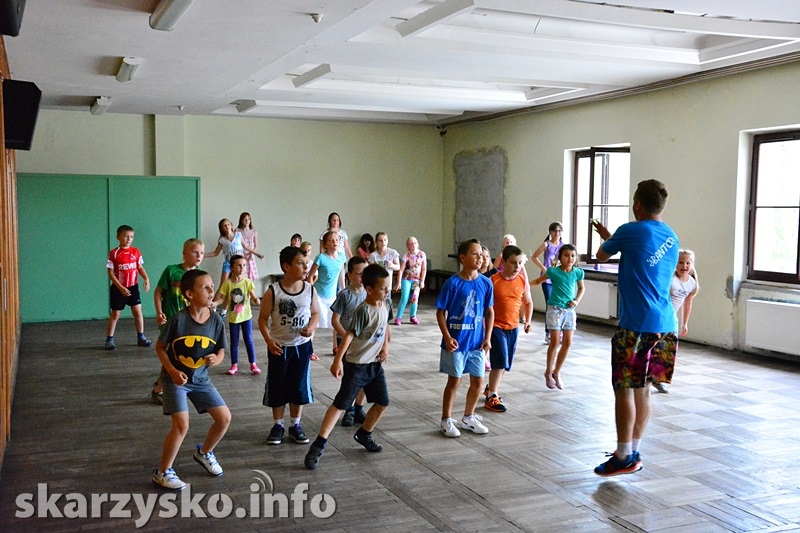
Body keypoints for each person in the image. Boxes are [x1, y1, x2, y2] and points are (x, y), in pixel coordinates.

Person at [591, 179, 679, 477]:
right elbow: (645, 259)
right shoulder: (672, 236)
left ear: (637, 205)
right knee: (644, 390)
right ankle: (634, 450)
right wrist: (614, 238)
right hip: (665, 325)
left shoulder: (630, 230)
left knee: (624, 390)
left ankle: (623, 455)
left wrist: (609, 238)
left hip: (636, 327)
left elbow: (601, 256)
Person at [304, 264, 391, 470]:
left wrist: (385, 347)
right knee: (340, 405)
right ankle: (318, 445)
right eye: (383, 288)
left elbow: (385, 326)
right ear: (369, 289)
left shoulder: (385, 303)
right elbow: (349, 335)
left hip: (374, 365)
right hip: (356, 366)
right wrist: (337, 360)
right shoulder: (363, 311)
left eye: (388, 287)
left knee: (382, 402)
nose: (387, 291)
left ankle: (364, 434)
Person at [151, 269, 230, 491]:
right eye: (205, 287)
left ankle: (204, 453)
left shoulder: (216, 320)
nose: (211, 290)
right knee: (181, 425)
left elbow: (221, 350)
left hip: (201, 379)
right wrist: (172, 372)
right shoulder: (178, 319)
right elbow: (160, 347)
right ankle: (163, 472)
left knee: (224, 418)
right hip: (175, 380)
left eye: (212, 286)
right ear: (189, 294)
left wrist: (217, 359)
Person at [258, 246, 320, 446]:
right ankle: (278, 425)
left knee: (299, 385)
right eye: (300, 263)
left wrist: (311, 327)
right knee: (278, 385)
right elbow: (262, 319)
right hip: (279, 347)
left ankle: (295, 424)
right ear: (286, 266)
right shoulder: (273, 291)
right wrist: (269, 340)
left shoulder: (309, 289)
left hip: (301, 347)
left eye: (306, 263)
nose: (305, 267)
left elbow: (316, 313)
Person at [437, 239, 494, 438]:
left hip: (477, 344)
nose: (480, 258)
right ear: (462, 257)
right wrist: (447, 336)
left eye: (481, 255)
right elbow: (440, 312)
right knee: (455, 381)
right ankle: (446, 419)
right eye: (474, 254)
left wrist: (487, 338)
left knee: (478, 381)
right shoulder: (453, 283)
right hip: (456, 344)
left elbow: (489, 312)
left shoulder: (486, 283)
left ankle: (469, 416)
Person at [151, 238, 206, 404]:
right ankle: (159, 389)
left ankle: (165, 385)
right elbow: (158, 292)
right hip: (170, 322)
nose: (199, 256)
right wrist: (159, 312)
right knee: (170, 354)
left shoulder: (199, 276)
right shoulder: (171, 271)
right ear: (184, 253)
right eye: (195, 252)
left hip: (188, 324)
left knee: (177, 356)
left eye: (202, 253)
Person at [484, 245, 533, 412]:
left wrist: (527, 321)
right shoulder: (493, 281)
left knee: (505, 364)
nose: (517, 266)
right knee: (500, 361)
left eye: (519, 263)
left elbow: (528, 302)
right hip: (496, 326)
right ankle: (492, 396)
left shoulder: (522, 281)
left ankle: (491, 388)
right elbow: (485, 307)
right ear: (503, 263)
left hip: (513, 328)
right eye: (513, 262)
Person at [530, 244, 585, 390]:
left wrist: (576, 300)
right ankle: (548, 372)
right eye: (566, 255)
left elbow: (581, 288)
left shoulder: (578, 272)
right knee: (554, 342)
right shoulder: (553, 272)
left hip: (569, 311)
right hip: (554, 310)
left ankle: (557, 372)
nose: (570, 258)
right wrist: (522, 287)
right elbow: (538, 281)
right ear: (560, 257)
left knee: (567, 342)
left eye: (572, 256)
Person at [652, 249, 700, 394]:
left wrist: (685, 323)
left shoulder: (692, 283)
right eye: (680, 262)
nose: (684, 266)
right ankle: (647, 377)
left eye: (688, 263)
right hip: (659, 317)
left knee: (668, 350)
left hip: (671, 320)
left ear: (692, 265)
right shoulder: (669, 278)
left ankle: (660, 379)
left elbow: (687, 303)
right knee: (653, 347)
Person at [331, 256, 369, 426]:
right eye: (359, 273)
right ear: (350, 275)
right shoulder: (345, 295)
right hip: (347, 344)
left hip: (365, 344)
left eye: (365, 273)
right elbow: (335, 320)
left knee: (364, 376)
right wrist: (347, 337)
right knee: (351, 378)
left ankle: (359, 408)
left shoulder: (370, 293)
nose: (362, 277)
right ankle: (349, 409)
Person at [105, 224, 152, 351]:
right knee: (115, 314)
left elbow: (140, 267)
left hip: (133, 287)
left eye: (131, 237)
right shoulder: (114, 253)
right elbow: (110, 273)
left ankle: (141, 337)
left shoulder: (135, 252)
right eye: (126, 236)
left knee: (137, 312)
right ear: (118, 237)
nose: (129, 239)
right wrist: (120, 288)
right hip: (118, 289)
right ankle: (109, 339)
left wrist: (146, 279)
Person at [214, 255, 262, 376]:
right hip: (233, 318)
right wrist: (214, 303)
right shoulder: (227, 284)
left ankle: (253, 364)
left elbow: (254, 296)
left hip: (246, 317)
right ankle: (234, 365)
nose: (242, 268)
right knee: (234, 342)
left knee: (248, 340)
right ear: (232, 267)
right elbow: (222, 299)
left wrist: (257, 300)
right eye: (239, 265)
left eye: (244, 265)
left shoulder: (247, 282)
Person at [308, 231, 347, 354]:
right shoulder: (320, 258)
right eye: (331, 240)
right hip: (318, 295)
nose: (335, 242)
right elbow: (310, 277)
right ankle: (308, 350)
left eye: (336, 240)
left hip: (332, 296)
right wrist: (311, 293)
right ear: (325, 244)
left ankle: (336, 347)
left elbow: (341, 274)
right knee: (314, 323)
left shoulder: (341, 257)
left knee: (336, 322)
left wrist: (344, 290)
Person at [531, 222, 564, 344]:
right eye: (555, 231)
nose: (557, 233)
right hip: (547, 278)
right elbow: (534, 257)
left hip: (558, 278)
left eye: (559, 231)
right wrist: (543, 268)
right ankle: (548, 332)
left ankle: (559, 331)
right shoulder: (546, 244)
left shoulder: (563, 246)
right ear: (550, 232)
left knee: (559, 304)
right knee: (550, 304)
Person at [206, 218, 259, 290]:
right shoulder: (222, 240)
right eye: (224, 225)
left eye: (228, 224)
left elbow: (246, 246)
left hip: (239, 264)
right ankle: (217, 297)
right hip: (228, 263)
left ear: (231, 226)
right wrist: (204, 256)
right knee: (223, 284)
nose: (227, 226)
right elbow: (216, 253)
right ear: (222, 229)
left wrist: (256, 254)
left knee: (241, 282)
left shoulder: (238, 235)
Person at [395, 236, 427, 325]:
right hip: (407, 279)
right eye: (411, 244)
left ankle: (413, 316)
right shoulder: (406, 256)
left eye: (415, 243)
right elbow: (401, 270)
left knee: (414, 297)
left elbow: (424, 269)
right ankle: (398, 317)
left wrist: (422, 281)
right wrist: (398, 282)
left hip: (416, 280)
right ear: (408, 246)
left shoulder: (422, 254)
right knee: (404, 297)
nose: (413, 245)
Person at [369, 232, 400, 322]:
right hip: (377, 283)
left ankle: (385, 321)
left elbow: (398, 267)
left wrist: (392, 265)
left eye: (385, 240)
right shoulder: (373, 255)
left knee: (386, 302)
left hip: (387, 284)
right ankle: (376, 319)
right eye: (380, 240)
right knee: (377, 302)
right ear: (376, 242)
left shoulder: (392, 253)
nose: (383, 242)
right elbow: (369, 270)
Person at [319, 212, 353, 288]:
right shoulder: (324, 233)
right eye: (333, 220)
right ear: (329, 221)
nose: (335, 222)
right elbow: (322, 249)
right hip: (330, 259)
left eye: (337, 220)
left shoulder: (343, 233)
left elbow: (346, 247)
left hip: (341, 259)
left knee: (341, 279)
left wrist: (352, 257)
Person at [236, 212, 264, 282]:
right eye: (245, 219)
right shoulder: (237, 231)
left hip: (250, 255)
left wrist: (252, 254)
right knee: (240, 275)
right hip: (241, 254)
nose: (247, 221)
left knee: (250, 277)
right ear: (241, 220)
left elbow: (256, 246)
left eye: (248, 219)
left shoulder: (254, 232)